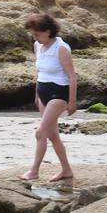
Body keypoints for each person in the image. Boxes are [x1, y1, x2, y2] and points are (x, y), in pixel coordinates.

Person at [21, 14, 76, 183]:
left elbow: (72, 76)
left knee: (40, 133)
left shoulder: (61, 48)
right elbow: (39, 72)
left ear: (48, 31)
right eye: (33, 34)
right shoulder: (38, 45)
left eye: (36, 34)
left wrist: (72, 101)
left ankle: (34, 171)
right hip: (43, 92)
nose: (34, 37)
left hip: (59, 93)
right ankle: (66, 170)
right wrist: (37, 94)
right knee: (52, 135)